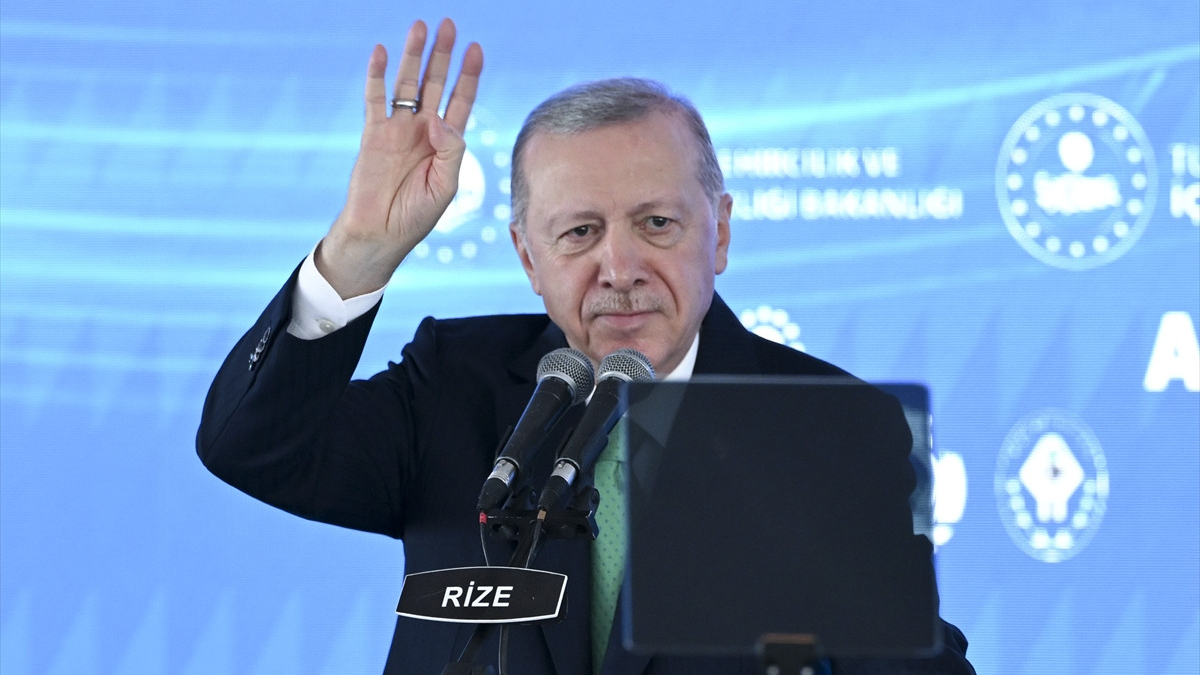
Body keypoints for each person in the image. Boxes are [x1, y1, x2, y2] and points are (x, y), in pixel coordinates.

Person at [197, 17, 977, 675]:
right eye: (579, 232)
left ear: (720, 234)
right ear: (528, 257)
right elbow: (252, 446)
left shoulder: (830, 429)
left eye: (657, 223)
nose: (621, 267)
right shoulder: (452, 385)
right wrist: (359, 249)